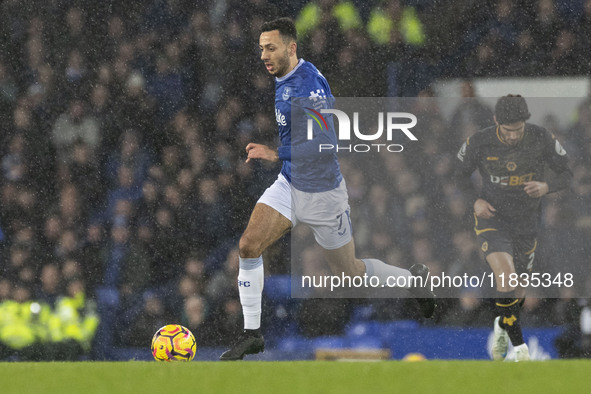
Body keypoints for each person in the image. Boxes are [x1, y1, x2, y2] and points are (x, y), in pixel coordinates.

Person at [220, 17, 436, 361]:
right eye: (261, 48)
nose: (264, 55)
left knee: (350, 273)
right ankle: (252, 334)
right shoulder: (283, 76)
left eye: (270, 48)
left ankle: (413, 279)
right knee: (248, 245)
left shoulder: (309, 86)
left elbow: (324, 142)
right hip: (291, 183)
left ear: (291, 48)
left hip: (323, 193)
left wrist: (276, 152)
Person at [455, 94, 572, 361]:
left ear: (525, 123)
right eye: (507, 130)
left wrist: (547, 186)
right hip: (492, 220)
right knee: (506, 277)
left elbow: (567, 173)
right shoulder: (479, 141)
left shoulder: (541, 138)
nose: (512, 136)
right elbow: (458, 175)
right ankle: (519, 348)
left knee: (517, 292)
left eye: (517, 130)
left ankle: (501, 324)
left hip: (526, 224)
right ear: (496, 121)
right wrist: (475, 200)